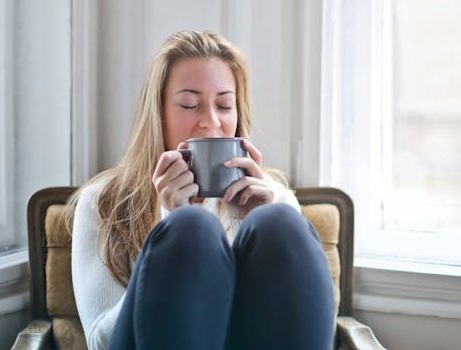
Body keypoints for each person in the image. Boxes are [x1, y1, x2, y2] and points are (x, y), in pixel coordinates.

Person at [67, 30, 335, 350]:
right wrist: (170, 221)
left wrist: (254, 218)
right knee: (191, 228)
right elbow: (100, 342)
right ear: (159, 114)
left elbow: (311, 327)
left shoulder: (273, 196)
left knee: (280, 222)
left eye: (224, 105)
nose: (210, 122)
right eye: (190, 104)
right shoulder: (102, 200)